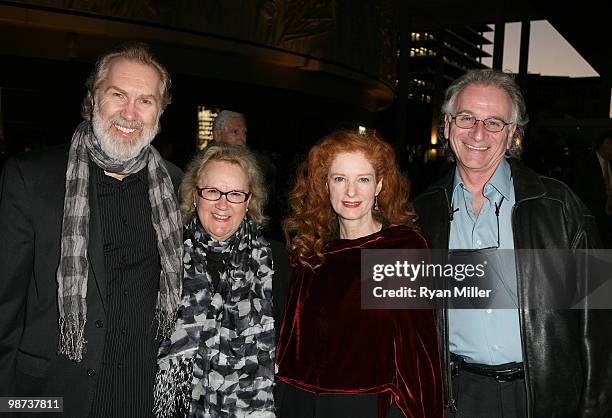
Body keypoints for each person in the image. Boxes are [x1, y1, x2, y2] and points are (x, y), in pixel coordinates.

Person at [413, 69, 611, 417]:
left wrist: (595, 406)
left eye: (493, 123)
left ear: (512, 136)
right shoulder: (419, 214)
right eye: (466, 118)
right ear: (446, 125)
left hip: (542, 397)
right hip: (456, 397)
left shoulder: (561, 206)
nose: (477, 132)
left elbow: (600, 320)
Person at [0, 42, 184, 417]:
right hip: (53, 398)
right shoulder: (31, 177)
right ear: (93, 98)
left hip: (144, 397)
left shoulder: (178, 186)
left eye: (145, 101)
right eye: (118, 95)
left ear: (159, 113)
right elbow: (4, 306)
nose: (130, 113)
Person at [276, 130, 443, 418]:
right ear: (325, 185)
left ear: (379, 185)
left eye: (363, 180)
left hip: (369, 404)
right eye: (339, 179)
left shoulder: (399, 248)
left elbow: (419, 355)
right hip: (301, 401)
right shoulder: (310, 252)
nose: (351, 192)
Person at [154, 143, 289, 417]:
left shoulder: (278, 261)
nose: (223, 204)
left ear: (249, 201)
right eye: (213, 191)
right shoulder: (165, 256)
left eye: (236, 194)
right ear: (195, 196)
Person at [567, 129, 612, 247]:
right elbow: (580, 190)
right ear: (605, 145)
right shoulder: (586, 163)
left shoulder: (610, 164)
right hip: (593, 215)